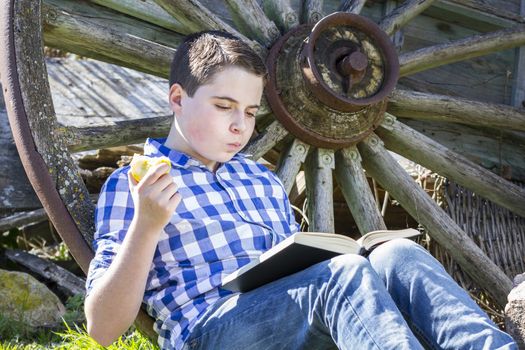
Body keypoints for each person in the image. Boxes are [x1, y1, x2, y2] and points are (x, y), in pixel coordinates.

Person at [84, 30, 517, 350]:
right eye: (223, 107)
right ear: (177, 98)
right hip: (211, 331)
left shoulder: (258, 179)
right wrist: (146, 226)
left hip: (295, 315)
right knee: (340, 277)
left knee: (395, 255)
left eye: (251, 112)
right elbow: (102, 329)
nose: (240, 125)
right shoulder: (137, 184)